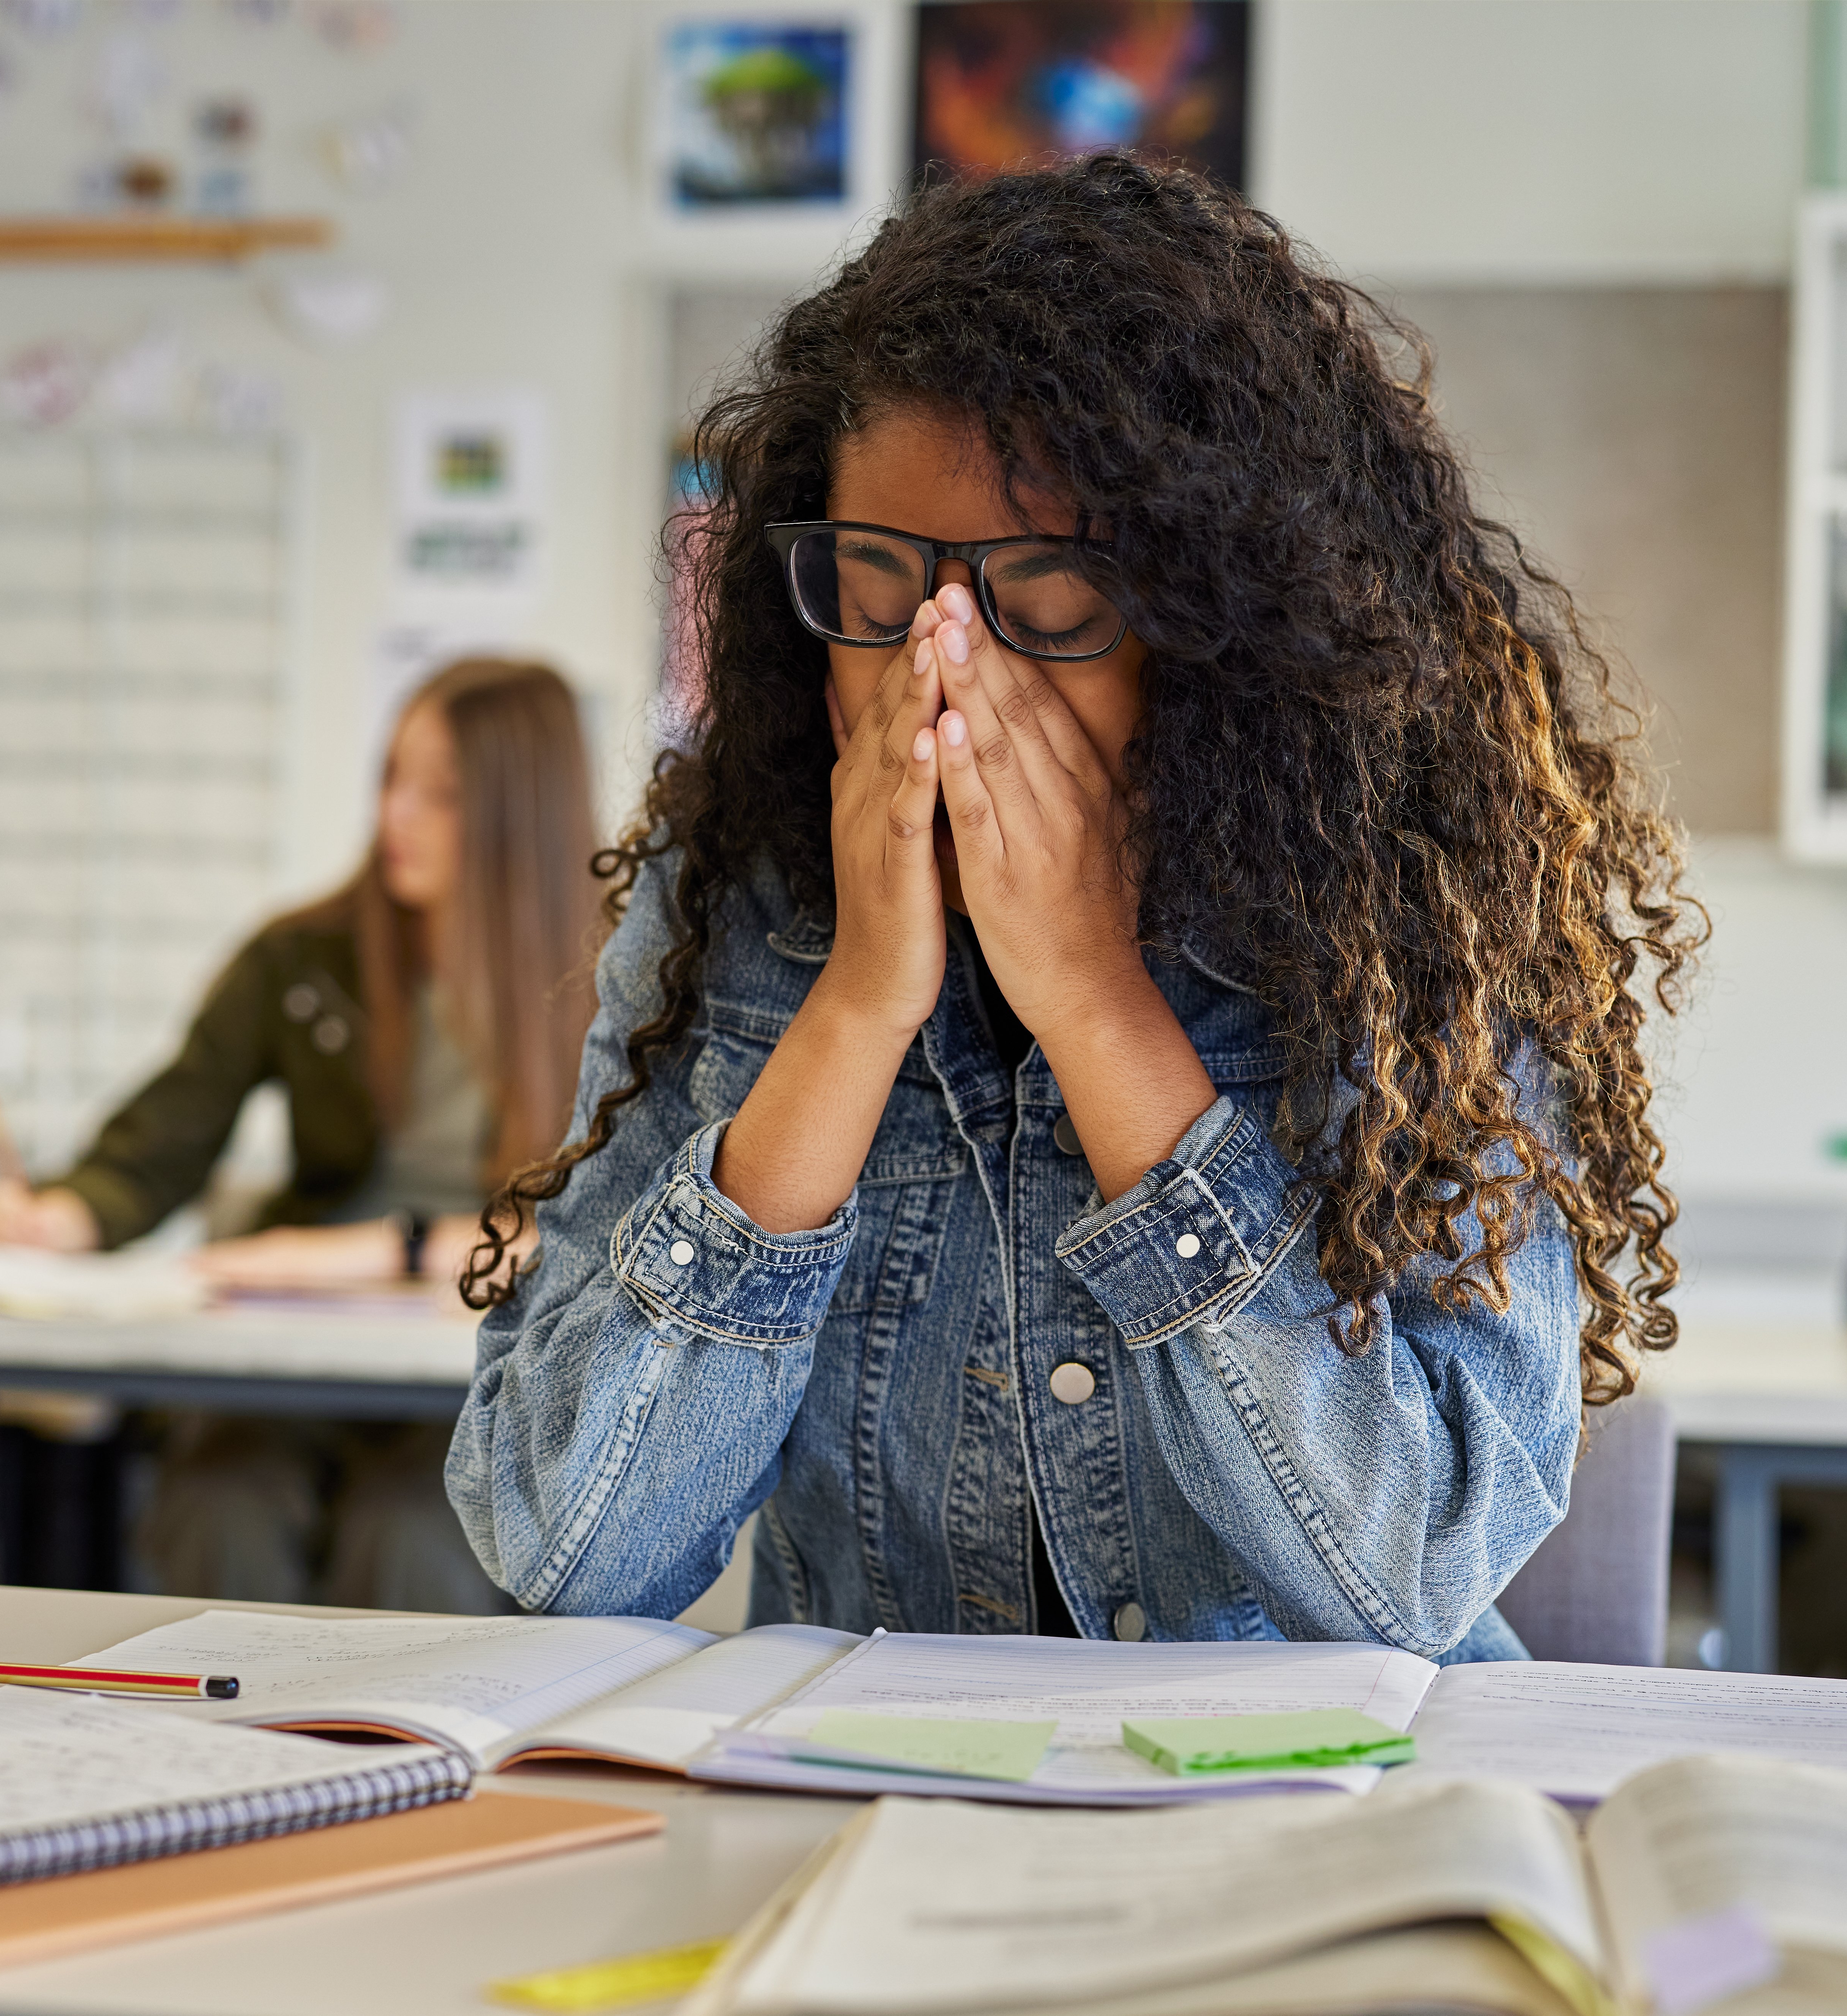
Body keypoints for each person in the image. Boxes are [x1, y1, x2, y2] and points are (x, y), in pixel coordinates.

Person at [450, 156, 1695, 1655]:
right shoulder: (732, 889)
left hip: (1299, 1802)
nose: (945, 670)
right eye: (877, 582)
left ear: (1221, 621)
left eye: (1039, 601)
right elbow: (567, 1550)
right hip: (877, 1794)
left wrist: (1096, 1002)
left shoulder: (1404, 897)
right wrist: (852, 1008)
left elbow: (1407, 1572)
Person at [0, 659, 601, 1609]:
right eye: (391, 779)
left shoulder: (622, 978)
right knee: (217, 1502)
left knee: (415, 1531)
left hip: (489, 1366)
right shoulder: (302, 957)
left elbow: (620, 1220)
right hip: (304, 1349)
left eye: (442, 794)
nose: (395, 815)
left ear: (524, 812)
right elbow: (168, 1128)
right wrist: (64, 1217)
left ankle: (391, 1754)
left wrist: (392, 1248)